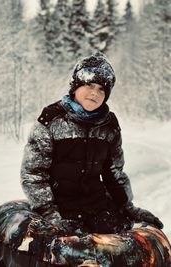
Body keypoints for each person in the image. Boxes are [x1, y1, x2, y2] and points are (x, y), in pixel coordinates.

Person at [20, 52, 163, 235]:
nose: (95, 92)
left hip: (97, 206)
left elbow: (114, 173)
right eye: (89, 84)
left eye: (102, 89)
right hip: (60, 208)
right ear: (75, 86)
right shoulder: (51, 120)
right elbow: (33, 173)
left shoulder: (109, 125)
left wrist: (128, 208)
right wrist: (50, 215)